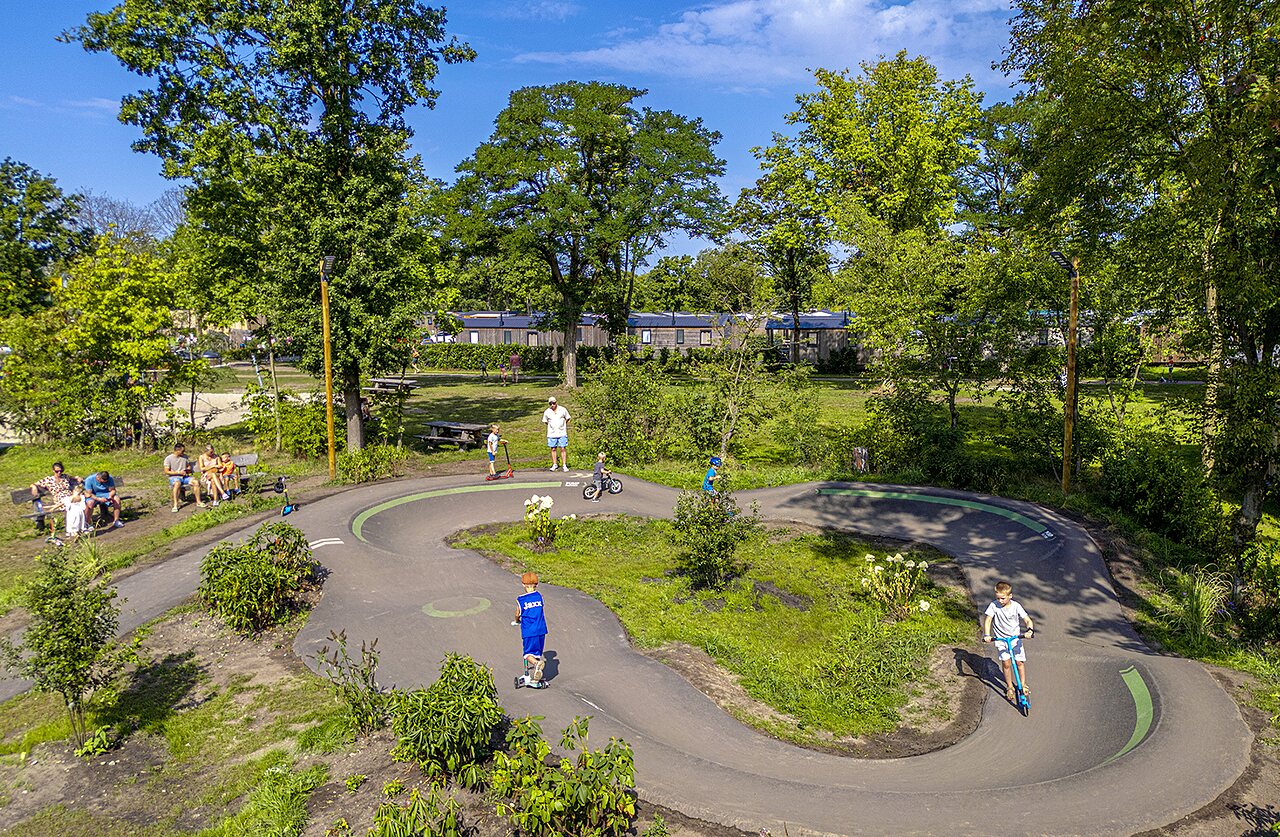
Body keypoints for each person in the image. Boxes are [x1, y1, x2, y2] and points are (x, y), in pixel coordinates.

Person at [983, 580, 1035, 704]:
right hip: (1001, 640)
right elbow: (988, 620)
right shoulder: (993, 605)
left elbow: (1027, 620)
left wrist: (1029, 630)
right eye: (998, 598)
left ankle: (1023, 684)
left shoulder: (1016, 606)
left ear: (1010, 596)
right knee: (1006, 663)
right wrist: (987, 635)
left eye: (1003, 598)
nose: (1000, 601)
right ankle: (1010, 686)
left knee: (1019, 662)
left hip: (1015, 639)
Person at [513, 571, 548, 689]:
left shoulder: (521, 600)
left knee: (527, 654)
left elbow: (518, 613)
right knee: (536, 652)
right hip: (541, 629)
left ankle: (536, 664)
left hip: (529, 631)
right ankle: (535, 677)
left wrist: (517, 620)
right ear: (536, 585)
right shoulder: (539, 597)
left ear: (523, 584)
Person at [30, 462, 76, 539]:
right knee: (70, 505)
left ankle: (77, 527)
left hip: (70, 496)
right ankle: (71, 528)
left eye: (61, 471)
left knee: (79, 503)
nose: (59, 473)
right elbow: (34, 484)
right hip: (60, 498)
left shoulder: (65, 477)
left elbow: (73, 478)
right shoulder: (49, 479)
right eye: (57, 471)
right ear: (53, 470)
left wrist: (77, 478)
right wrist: (34, 487)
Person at [164, 443, 206, 512]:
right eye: (182, 451)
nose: (184, 452)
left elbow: (188, 465)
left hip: (184, 477)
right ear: (177, 450)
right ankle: (175, 504)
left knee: (196, 482)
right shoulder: (168, 459)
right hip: (174, 477)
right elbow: (166, 471)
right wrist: (178, 472)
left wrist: (187, 469)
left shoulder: (185, 457)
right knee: (177, 484)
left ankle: (198, 501)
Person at [542, 396, 571, 472]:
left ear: (556, 403)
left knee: (562, 448)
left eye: (553, 403)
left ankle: (564, 464)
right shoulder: (547, 412)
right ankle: (554, 464)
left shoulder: (562, 409)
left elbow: (568, 418)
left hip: (562, 433)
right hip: (552, 433)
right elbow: (545, 421)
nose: (552, 405)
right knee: (553, 448)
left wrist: (563, 425)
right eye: (550, 403)